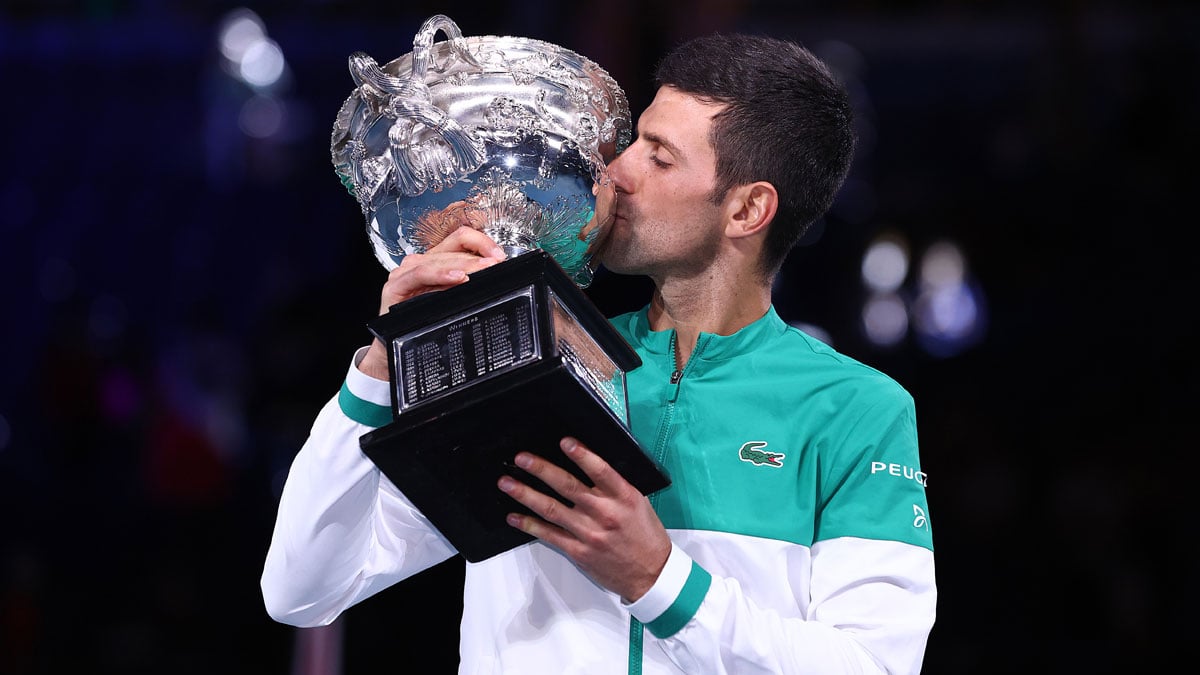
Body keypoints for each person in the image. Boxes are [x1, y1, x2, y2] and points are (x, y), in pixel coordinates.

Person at [262, 30, 936, 674]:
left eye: (659, 156)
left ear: (747, 210)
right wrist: (379, 371)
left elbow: (869, 665)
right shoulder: (528, 351)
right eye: (633, 140)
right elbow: (301, 590)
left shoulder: (856, 410)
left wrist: (659, 580)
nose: (617, 170)